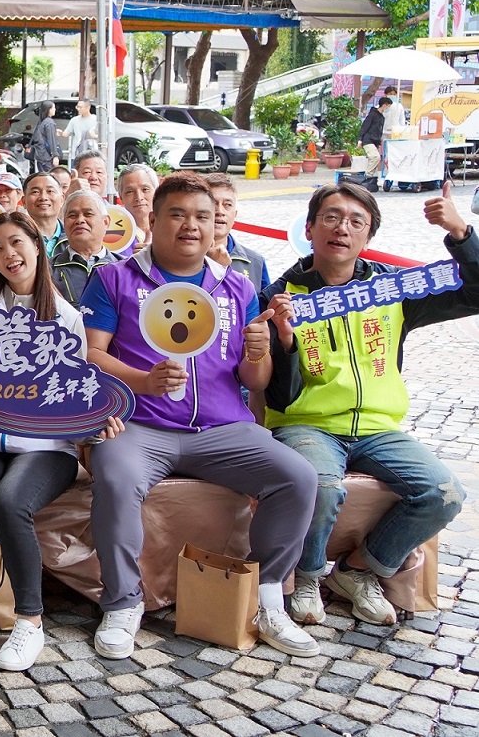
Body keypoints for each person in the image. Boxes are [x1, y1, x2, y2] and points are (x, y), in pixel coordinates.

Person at [80, 172, 319, 660]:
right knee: (115, 475)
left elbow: (254, 381)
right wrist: (143, 381)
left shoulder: (236, 287)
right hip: (142, 427)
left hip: (221, 429)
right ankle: (124, 602)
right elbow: (92, 354)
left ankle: (266, 598)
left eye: (203, 217)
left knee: (297, 477)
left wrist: (258, 352)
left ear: (217, 226)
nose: (191, 226)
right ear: (153, 219)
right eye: (178, 214)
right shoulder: (114, 278)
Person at [265, 182, 476, 628]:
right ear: (309, 227)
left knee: (446, 493)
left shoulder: (392, 289)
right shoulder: (280, 295)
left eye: (356, 222)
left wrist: (460, 233)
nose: (343, 228)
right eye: (332, 217)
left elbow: (474, 291)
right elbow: (278, 395)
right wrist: (283, 341)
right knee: (320, 485)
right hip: (309, 425)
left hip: (380, 429)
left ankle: (361, 571)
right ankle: (308, 576)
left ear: (368, 237)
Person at [0, 212, 117, 671]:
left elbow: (75, 394)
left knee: (12, 500)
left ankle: (29, 622)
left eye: (17, 243)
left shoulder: (67, 317)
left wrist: (99, 422)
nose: (9, 255)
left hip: (46, 448)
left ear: (38, 245)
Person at [204, 173, 268, 291]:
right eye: (213, 203)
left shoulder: (255, 262)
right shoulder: (181, 258)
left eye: (227, 205)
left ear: (235, 214)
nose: (220, 211)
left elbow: (263, 307)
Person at [50, 189, 114, 304]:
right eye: (72, 215)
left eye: (88, 214)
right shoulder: (47, 269)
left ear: (105, 222)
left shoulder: (124, 268)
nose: (79, 220)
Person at [22, 172, 65, 256]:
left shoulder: (74, 235)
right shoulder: (17, 238)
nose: (43, 197)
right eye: (35, 192)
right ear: (24, 201)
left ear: (62, 199)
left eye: (50, 191)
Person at [117, 164, 158, 247]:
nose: (139, 197)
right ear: (121, 196)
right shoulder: (115, 235)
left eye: (145, 189)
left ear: (157, 192)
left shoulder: (169, 229)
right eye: (130, 191)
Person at [358, 96, 389, 184]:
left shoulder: (382, 118)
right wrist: (360, 140)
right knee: (375, 157)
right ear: (384, 105)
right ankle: (368, 176)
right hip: (368, 140)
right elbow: (364, 127)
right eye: (388, 106)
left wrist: (379, 143)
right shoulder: (372, 115)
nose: (388, 108)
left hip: (375, 141)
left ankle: (372, 179)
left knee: (374, 159)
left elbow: (379, 131)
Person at [30, 101, 60, 173]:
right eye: (53, 108)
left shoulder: (41, 122)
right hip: (47, 157)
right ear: (49, 109)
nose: (55, 109)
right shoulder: (49, 123)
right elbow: (52, 140)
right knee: (51, 178)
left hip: (40, 155)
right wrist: (55, 156)